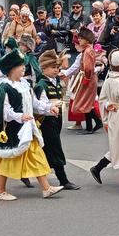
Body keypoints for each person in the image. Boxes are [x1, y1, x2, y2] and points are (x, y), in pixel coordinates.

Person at [0, 49, 63, 201]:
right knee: (8, 158)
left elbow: (34, 104)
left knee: (36, 156)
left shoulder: (26, 84)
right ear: (11, 69)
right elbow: (4, 111)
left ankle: (46, 188)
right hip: (14, 130)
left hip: (29, 128)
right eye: (20, 66)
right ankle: (0, 190)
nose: (23, 68)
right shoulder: (5, 88)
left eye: (23, 65)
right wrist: (19, 117)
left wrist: (49, 108)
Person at [34, 50, 80, 191]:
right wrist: (50, 108)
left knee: (46, 149)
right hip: (46, 120)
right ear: (43, 68)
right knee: (55, 148)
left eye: (57, 67)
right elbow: (38, 107)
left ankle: (27, 174)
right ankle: (63, 179)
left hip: (56, 118)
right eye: (52, 67)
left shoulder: (56, 82)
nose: (56, 70)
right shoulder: (41, 85)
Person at [91, 47, 119, 187]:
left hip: (114, 116)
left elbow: (102, 99)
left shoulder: (109, 80)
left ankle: (98, 168)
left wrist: (106, 115)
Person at [64, 27, 102, 134]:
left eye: (81, 38)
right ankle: (90, 126)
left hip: (87, 78)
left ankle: (96, 123)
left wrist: (86, 78)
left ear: (87, 39)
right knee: (86, 103)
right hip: (87, 77)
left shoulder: (88, 51)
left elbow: (88, 68)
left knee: (84, 103)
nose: (79, 40)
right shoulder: (87, 50)